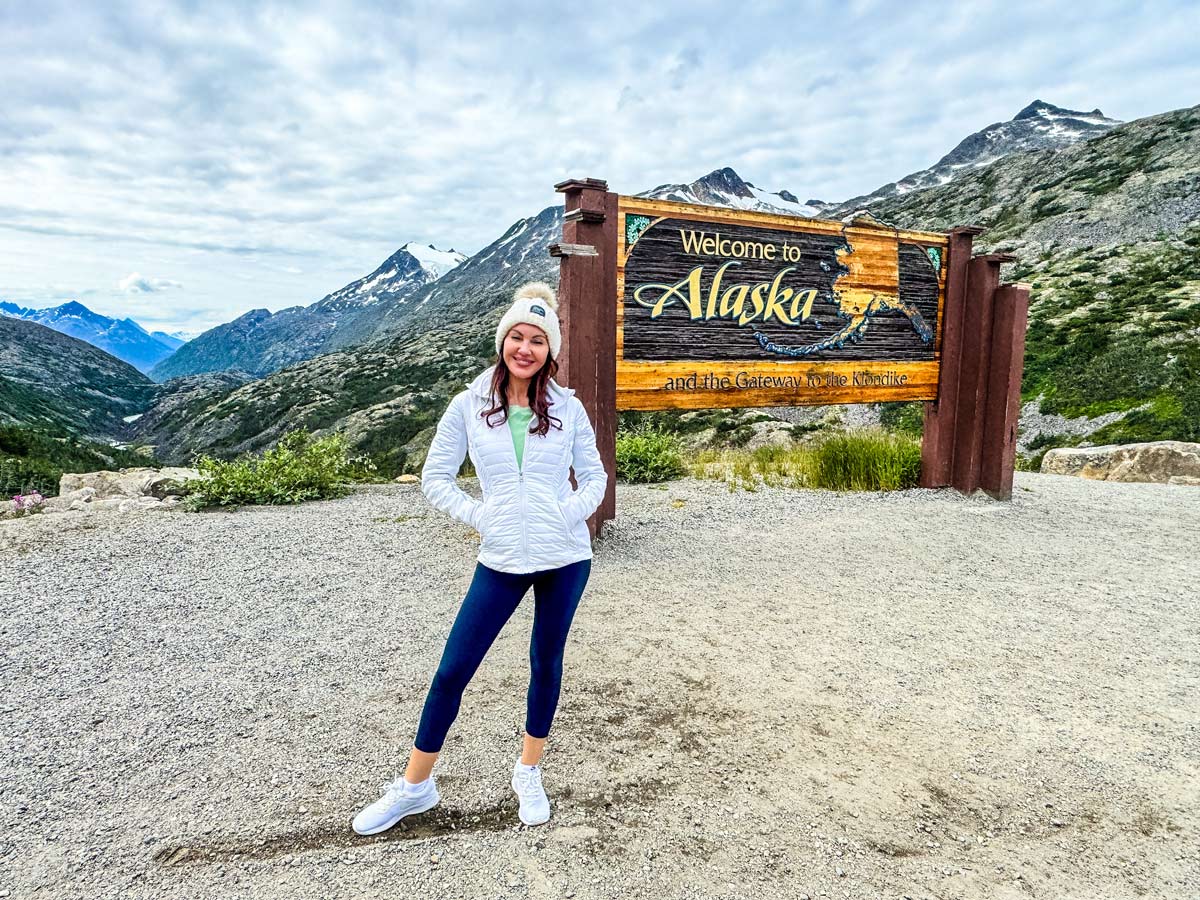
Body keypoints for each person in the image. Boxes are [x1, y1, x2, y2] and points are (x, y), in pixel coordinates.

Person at [351, 281, 607, 835]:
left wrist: (567, 516)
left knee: (546, 663)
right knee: (452, 670)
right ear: (502, 342)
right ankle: (415, 785)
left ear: (550, 351)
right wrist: (482, 517)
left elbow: (595, 477)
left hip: (564, 556)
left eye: (537, 340)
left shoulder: (568, 408)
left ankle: (528, 771)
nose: (525, 348)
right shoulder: (470, 405)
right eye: (517, 336)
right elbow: (435, 479)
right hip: (501, 556)